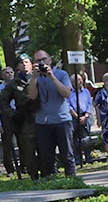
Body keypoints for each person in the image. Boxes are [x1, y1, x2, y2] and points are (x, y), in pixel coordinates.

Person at [28, 49, 75, 177]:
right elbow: (32, 96)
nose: (42, 62)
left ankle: (73, 183)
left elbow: (66, 93)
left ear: (50, 60)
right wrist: (34, 78)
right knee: (47, 158)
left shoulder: (61, 74)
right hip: (42, 122)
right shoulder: (33, 77)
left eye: (44, 59)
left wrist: (52, 77)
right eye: (38, 60)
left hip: (62, 120)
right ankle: (52, 184)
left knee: (67, 156)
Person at [0, 54, 39, 180]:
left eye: (27, 62)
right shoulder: (13, 84)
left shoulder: (39, 78)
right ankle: (34, 176)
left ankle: (48, 173)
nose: (24, 64)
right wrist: (12, 115)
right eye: (21, 63)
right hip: (25, 119)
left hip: (42, 116)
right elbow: (2, 102)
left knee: (45, 147)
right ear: (17, 67)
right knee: (28, 149)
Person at [67, 72, 93, 166]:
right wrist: (77, 117)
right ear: (72, 82)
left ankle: (88, 157)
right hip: (74, 117)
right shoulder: (69, 92)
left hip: (85, 117)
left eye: (80, 80)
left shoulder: (86, 91)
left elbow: (90, 104)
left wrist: (85, 116)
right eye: (77, 80)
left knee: (87, 138)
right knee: (74, 138)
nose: (80, 82)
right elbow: (68, 105)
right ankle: (77, 159)